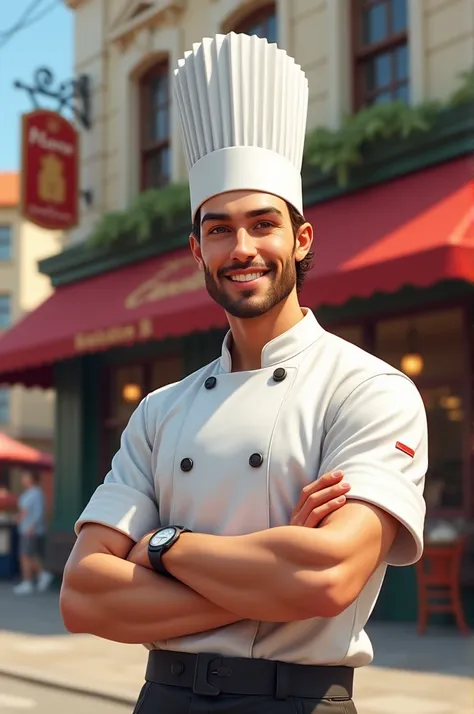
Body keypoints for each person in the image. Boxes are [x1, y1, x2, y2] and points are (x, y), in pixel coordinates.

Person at [60, 32, 428, 713]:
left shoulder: (370, 389)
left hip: (297, 701)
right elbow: (83, 596)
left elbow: (324, 577)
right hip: (162, 700)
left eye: (264, 224)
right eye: (221, 229)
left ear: (301, 238)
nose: (244, 248)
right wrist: (266, 581)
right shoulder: (160, 411)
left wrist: (161, 545)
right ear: (196, 250)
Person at [14, 470, 53, 595]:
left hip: (30, 530)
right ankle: (43, 574)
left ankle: (28, 581)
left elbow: (38, 512)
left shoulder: (36, 493)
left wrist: (32, 525)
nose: (23, 479)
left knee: (25, 555)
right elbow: (24, 510)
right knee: (30, 555)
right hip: (25, 527)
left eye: (26, 476)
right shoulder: (28, 493)